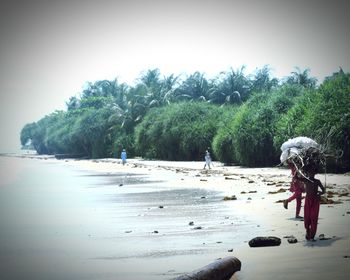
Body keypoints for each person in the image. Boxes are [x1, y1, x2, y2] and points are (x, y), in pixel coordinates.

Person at [301, 168, 325, 241]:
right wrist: (296, 169)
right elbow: (296, 177)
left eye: (312, 173)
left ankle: (312, 234)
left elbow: (323, 190)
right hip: (308, 199)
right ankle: (307, 230)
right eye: (309, 173)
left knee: (314, 217)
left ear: (314, 174)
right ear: (307, 173)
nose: (311, 174)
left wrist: (319, 193)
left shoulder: (317, 181)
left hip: (315, 200)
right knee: (307, 216)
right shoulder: (305, 180)